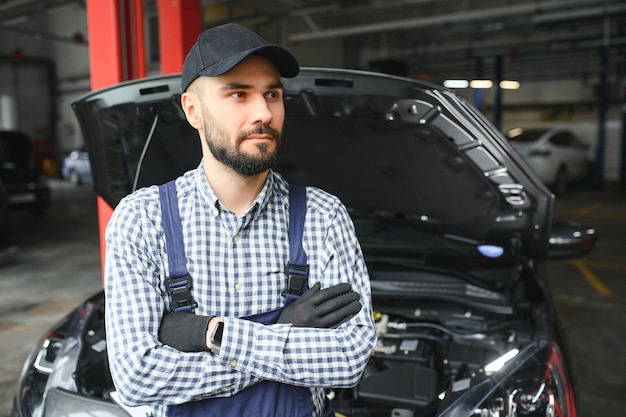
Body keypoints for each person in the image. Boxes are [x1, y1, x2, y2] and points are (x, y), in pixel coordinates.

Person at [104, 23, 376, 417]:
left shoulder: (324, 216)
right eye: (238, 94)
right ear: (193, 110)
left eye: (272, 94)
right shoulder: (142, 220)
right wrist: (284, 332)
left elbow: (349, 360)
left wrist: (212, 333)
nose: (264, 112)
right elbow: (137, 377)